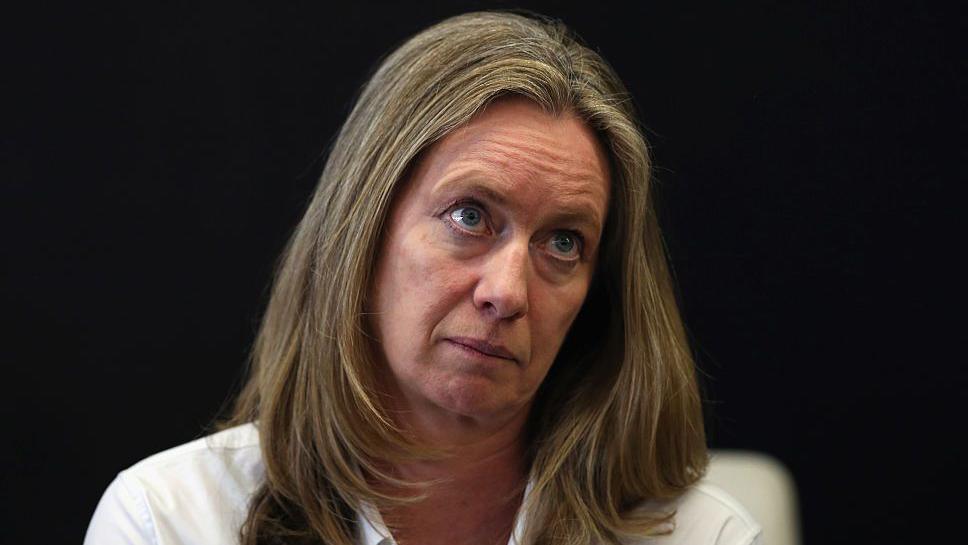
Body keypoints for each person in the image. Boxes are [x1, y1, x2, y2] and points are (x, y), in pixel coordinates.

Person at [84, 10, 761, 545]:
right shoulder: (173, 522)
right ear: (363, 228)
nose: (507, 291)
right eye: (471, 215)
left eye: (563, 242)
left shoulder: (706, 536)